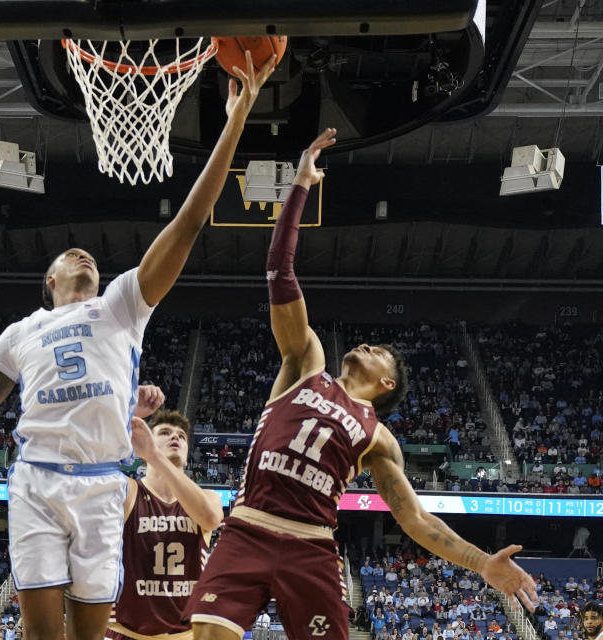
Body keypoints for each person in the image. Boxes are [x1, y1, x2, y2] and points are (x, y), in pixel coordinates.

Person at [0, 51, 279, 640]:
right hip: (39, 479)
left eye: (93, 260)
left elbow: (189, 221)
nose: (84, 255)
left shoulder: (122, 306)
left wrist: (234, 123)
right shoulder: (20, 332)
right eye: (68, 256)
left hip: (105, 483)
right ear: (48, 280)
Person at [184, 129, 538, 640]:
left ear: (386, 381)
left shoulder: (378, 437)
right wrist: (298, 189)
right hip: (248, 527)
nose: (368, 345)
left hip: (311, 545)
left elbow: (415, 519)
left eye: (379, 351)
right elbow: (279, 273)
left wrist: (481, 563)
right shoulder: (305, 363)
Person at [108, 410, 223, 640]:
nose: (176, 437)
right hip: (126, 630)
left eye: (182, 435)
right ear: (145, 444)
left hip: (185, 634)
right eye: (165, 432)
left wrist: (155, 456)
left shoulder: (209, 497)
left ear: (188, 456)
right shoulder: (129, 491)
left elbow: (211, 519)